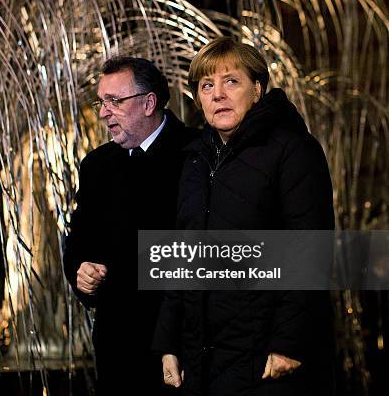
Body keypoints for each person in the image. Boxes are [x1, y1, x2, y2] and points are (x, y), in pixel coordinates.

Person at [153, 37, 335, 395]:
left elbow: (310, 249)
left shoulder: (293, 150)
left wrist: (288, 343)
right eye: (207, 85)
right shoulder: (193, 161)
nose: (218, 94)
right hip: (202, 358)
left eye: (230, 81)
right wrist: (168, 343)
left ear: (257, 88)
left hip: (265, 357)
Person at [63, 56, 198, 394]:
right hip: (116, 349)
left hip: (181, 346)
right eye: (101, 101)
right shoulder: (96, 165)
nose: (104, 112)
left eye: (115, 101)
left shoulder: (197, 154)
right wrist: (82, 273)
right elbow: (78, 244)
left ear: (149, 102)